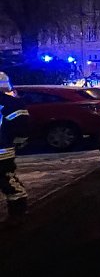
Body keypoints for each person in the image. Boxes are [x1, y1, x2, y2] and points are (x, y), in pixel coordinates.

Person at [0, 72, 29, 225]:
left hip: (3, 151)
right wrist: (19, 141)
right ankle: (18, 213)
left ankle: (18, 212)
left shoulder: (8, 103)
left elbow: (21, 125)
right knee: (7, 180)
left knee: (7, 181)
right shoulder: (10, 103)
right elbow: (22, 126)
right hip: (3, 149)